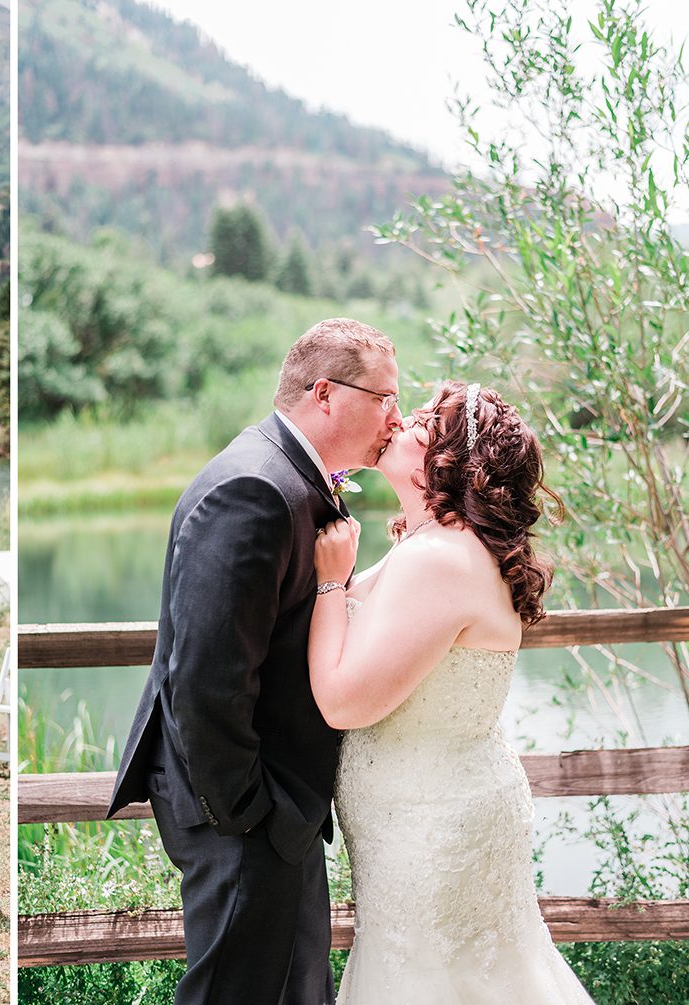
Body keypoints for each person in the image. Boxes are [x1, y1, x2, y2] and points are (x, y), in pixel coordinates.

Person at [109, 318, 402, 1004]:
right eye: (384, 396)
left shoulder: (294, 475)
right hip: (240, 811)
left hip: (278, 808)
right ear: (324, 393)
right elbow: (207, 679)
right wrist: (249, 813)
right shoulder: (255, 487)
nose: (395, 413)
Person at [309, 380, 590, 1002]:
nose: (403, 420)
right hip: (423, 813)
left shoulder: (439, 557)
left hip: (432, 826)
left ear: (454, 458)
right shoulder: (431, 544)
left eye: (426, 418)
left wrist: (330, 583)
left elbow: (342, 701)